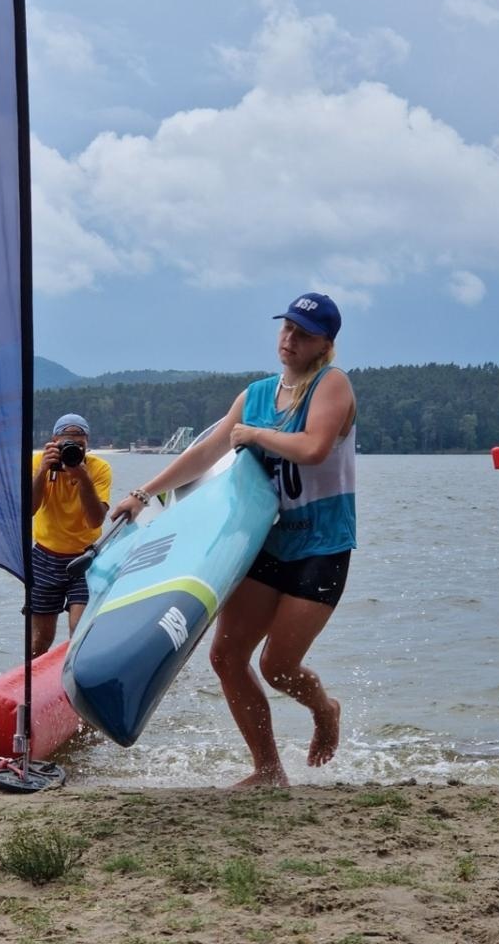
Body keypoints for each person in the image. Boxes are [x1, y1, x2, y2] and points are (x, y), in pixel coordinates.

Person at [111, 293, 356, 788]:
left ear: (324, 344)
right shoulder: (257, 395)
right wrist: (142, 494)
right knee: (226, 657)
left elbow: (312, 448)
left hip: (322, 546)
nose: (289, 339)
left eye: (303, 334)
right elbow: (205, 453)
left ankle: (324, 709)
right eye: (286, 328)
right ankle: (268, 770)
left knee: (278, 667)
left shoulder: (333, 385)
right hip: (265, 543)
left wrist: (255, 436)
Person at [31, 413, 112, 657]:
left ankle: (75, 682)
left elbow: (96, 519)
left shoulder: (98, 469)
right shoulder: (40, 463)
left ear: (87, 442)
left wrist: (82, 476)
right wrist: (44, 470)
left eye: (79, 439)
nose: (73, 445)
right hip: (45, 556)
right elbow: (29, 510)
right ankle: (33, 687)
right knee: (39, 640)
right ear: (54, 440)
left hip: (85, 560)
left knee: (79, 631)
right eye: (67, 439)